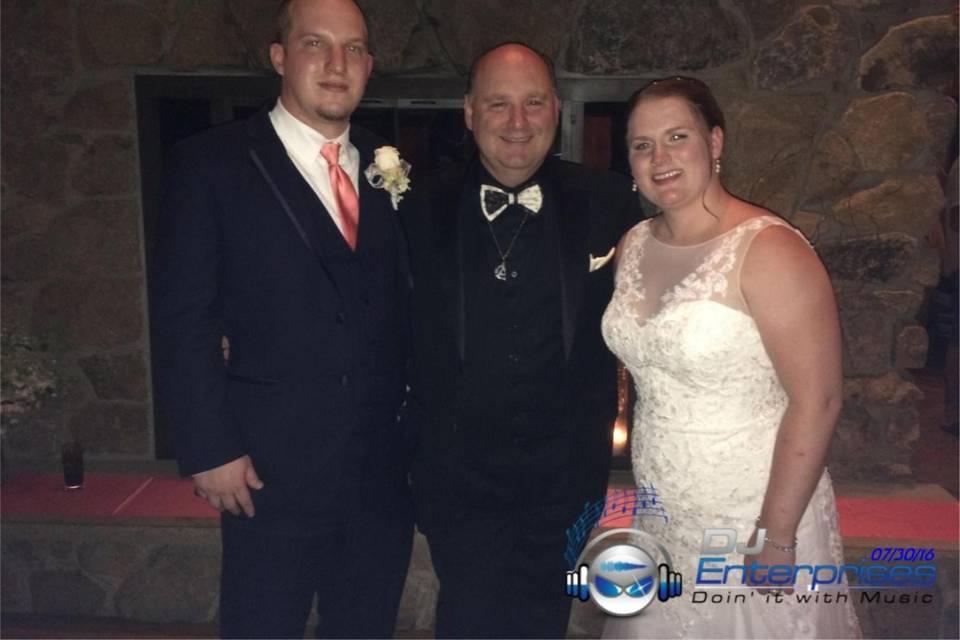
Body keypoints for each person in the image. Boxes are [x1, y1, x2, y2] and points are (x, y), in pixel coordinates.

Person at [150, 0, 413, 637]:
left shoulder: (391, 165)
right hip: (268, 472)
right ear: (279, 56)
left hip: (380, 476)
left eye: (353, 48)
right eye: (315, 44)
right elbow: (183, 317)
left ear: (369, 65)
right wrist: (209, 447)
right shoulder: (210, 164)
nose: (335, 64)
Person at [601, 77, 861, 638]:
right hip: (664, 511)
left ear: (715, 143)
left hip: (754, 514)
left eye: (677, 136)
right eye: (642, 145)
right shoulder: (634, 244)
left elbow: (818, 398)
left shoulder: (770, 249)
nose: (660, 158)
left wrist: (778, 535)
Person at [400, 43, 642, 638]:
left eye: (533, 103)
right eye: (498, 104)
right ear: (468, 112)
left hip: (564, 474)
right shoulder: (415, 205)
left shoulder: (609, 201)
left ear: (556, 109)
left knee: (543, 619)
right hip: (457, 476)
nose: (517, 122)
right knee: (466, 617)